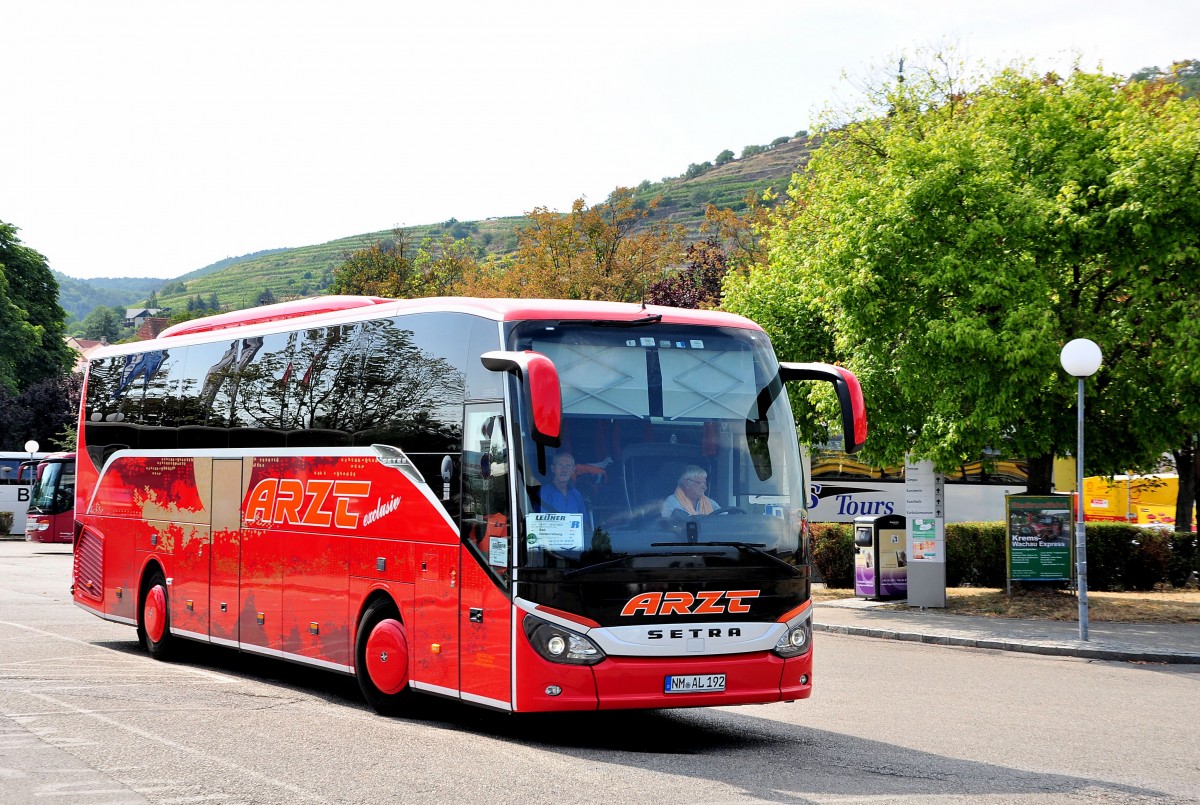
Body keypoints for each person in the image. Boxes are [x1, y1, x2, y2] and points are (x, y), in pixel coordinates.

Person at [540, 451, 590, 525]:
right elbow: (542, 524)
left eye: (568, 466)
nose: (564, 470)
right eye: (560, 465)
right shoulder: (543, 492)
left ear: (573, 470)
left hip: (574, 536)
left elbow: (584, 523)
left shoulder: (576, 494)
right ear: (553, 468)